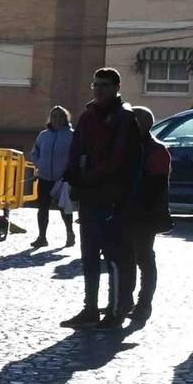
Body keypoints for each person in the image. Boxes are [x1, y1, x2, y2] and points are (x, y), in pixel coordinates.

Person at [62, 68, 148, 330]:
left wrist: (93, 177)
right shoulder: (88, 117)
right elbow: (76, 150)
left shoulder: (125, 119)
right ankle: (90, 309)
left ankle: (115, 311)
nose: (99, 89)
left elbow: (121, 161)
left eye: (105, 85)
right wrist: (73, 175)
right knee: (88, 257)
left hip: (112, 198)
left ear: (116, 87)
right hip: (89, 198)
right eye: (96, 84)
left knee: (114, 257)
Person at [125, 106, 172, 329]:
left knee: (144, 258)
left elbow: (157, 186)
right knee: (126, 258)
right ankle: (125, 300)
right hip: (126, 210)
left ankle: (144, 303)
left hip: (145, 213)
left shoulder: (157, 150)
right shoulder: (126, 146)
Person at [29, 106, 75, 249]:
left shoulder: (72, 135)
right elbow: (34, 153)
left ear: (65, 118)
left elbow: (76, 156)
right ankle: (42, 237)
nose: (56, 119)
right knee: (42, 208)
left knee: (64, 207)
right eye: (53, 116)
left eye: (60, 116)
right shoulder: (43, 135)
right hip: (44, 177)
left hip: (62, 179)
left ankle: (70, 233)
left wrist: (70, 172)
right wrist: (39, 165)